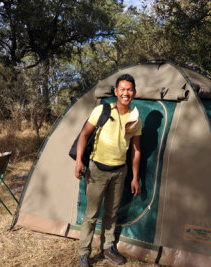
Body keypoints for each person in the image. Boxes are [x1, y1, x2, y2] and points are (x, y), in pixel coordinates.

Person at [75, 74, 142, 267]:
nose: (126, 93)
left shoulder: (136, 118)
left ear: (134, 93)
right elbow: (83, 135)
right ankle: (84, 254)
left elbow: (136, 150)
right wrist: (79, 161)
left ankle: (108, 248)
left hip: (120, 172)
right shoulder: (101, 110)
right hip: (97, 170)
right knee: (91, 214)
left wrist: (135, 177)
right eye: (122, 89)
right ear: (116, 92)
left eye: (129, 89)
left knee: (112, 213)